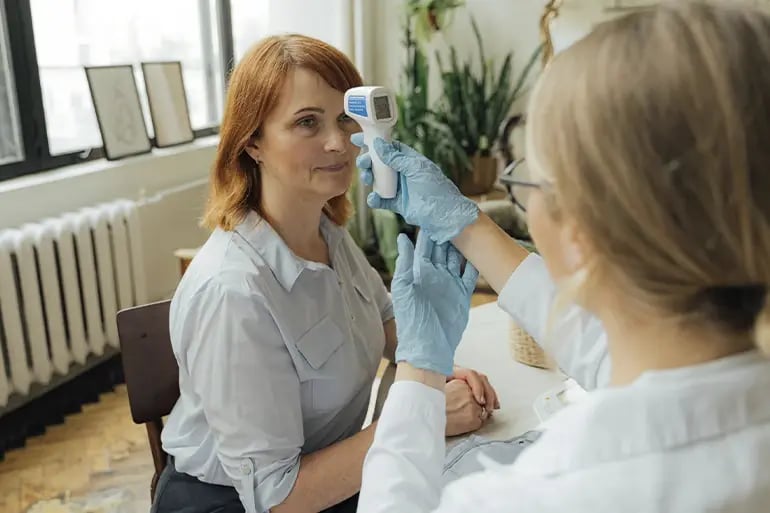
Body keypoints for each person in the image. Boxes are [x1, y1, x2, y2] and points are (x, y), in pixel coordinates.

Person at [353, 1, 770, 511]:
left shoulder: (540, 496)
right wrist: (465, 224)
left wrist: (418, 373)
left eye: (532, 180)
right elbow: (617, 347)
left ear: (582, 227)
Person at [153, 34, 499, 513]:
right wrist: (422, 416)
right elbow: (277, 497)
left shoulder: (328, 231)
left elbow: (386, 325)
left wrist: (435, 368)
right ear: (252, 141)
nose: (338, 142)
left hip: (328, 474)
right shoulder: (232, 293)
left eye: (343, 118)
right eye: (307, 123)